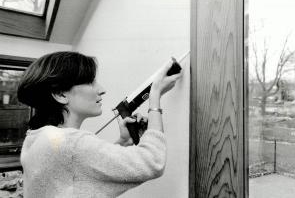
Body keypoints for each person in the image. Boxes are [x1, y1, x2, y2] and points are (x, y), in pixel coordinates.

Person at [17, 51, 182, 198]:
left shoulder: (36, 137)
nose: (101, 89)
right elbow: (153, 162)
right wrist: (154, 96)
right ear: (60, 94)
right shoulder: (71, 143)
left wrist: (122, 142)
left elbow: (79, 173)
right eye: (90, 82)